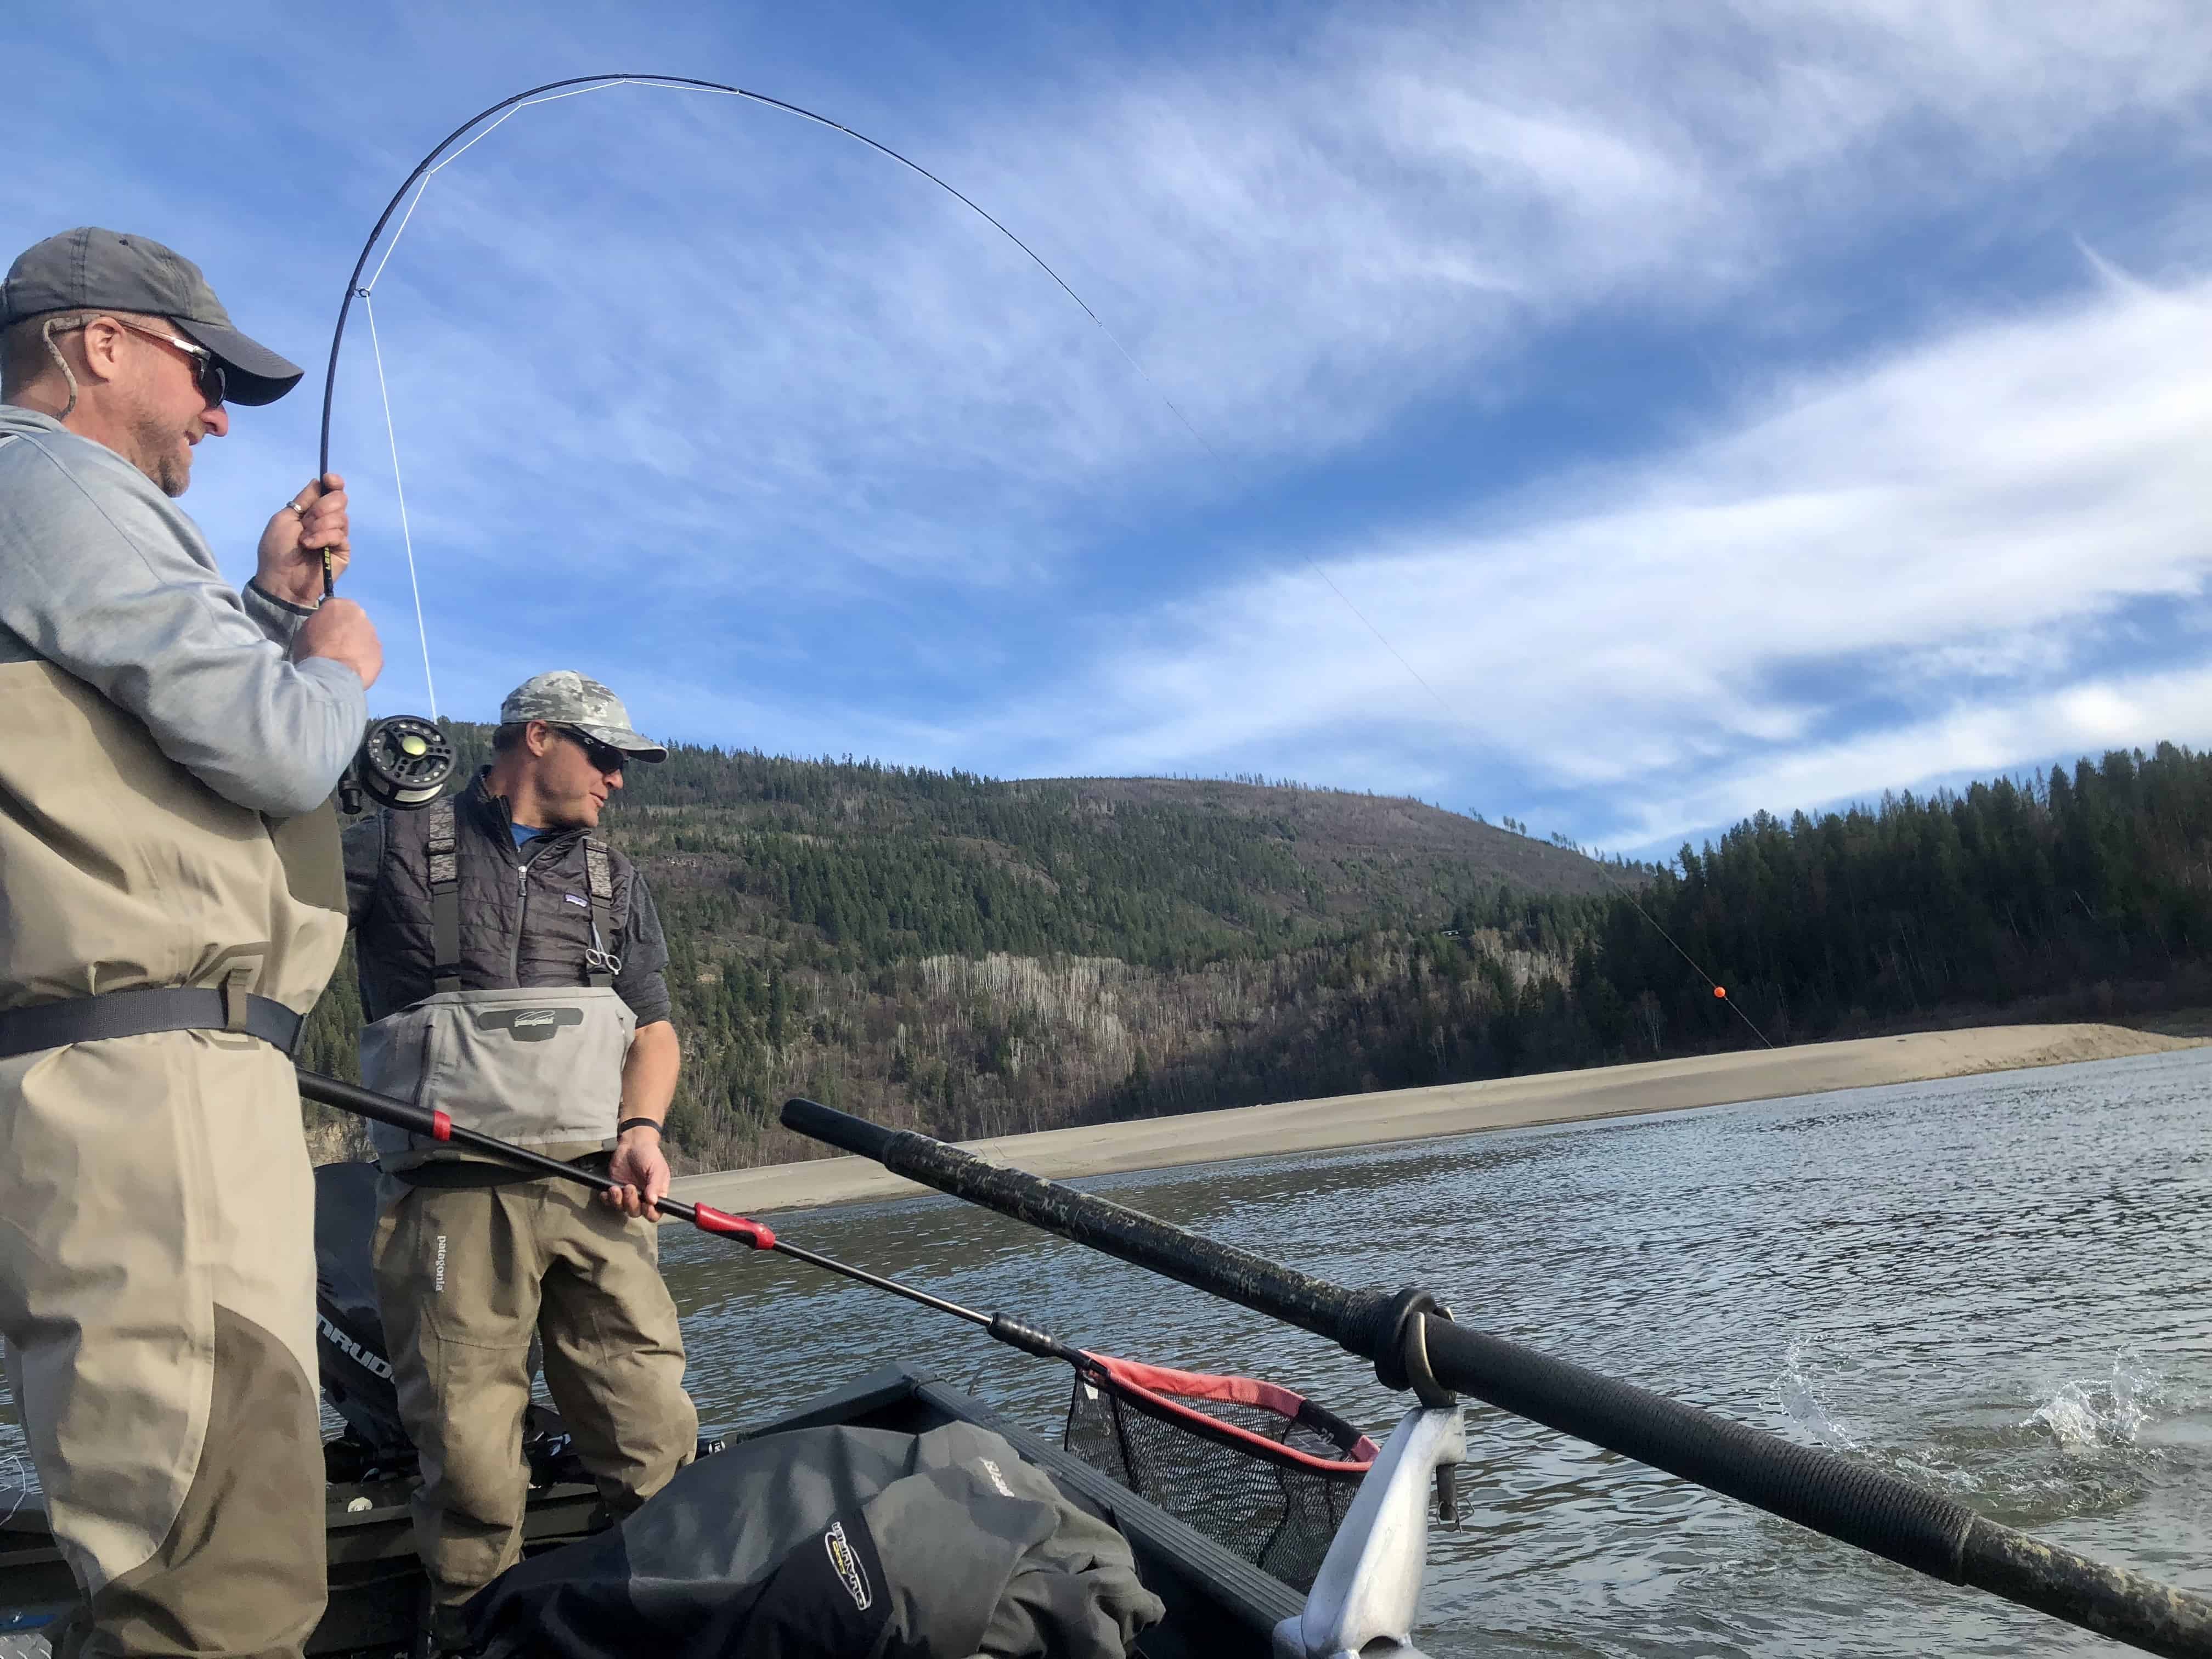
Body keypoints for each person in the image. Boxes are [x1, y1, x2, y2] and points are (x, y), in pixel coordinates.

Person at [0, 227, 383, 1657]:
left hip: (137, 1091)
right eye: (207, 374)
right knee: (213, 1587)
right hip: (149, 1106)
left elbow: (123, 734)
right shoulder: (44, 474)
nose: (221, 416)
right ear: (96, 344)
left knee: (194, 1537)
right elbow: (275, 748)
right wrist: (332, 662)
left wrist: (269, 605)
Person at [342, 671, 696, 1654]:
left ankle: (661, 1625)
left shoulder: (618, 882)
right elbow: (273, 938)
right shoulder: (386, 845)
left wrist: (643, 1129)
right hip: (448, 1208)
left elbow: (655, 1031)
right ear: (538, 738)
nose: (619, 781)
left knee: (653, 1438)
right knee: (470, 1470)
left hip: (599, 1196)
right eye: (607, 756)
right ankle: (472, 1640)